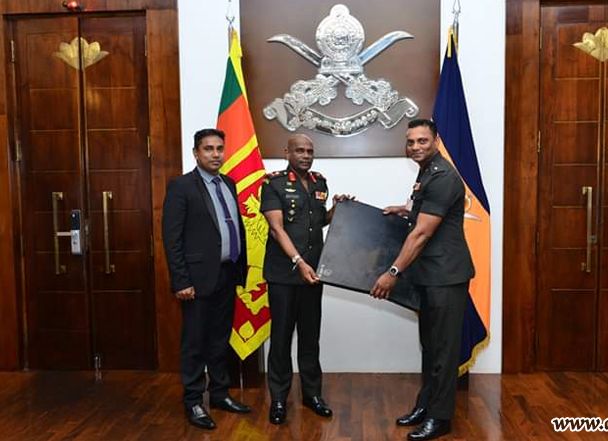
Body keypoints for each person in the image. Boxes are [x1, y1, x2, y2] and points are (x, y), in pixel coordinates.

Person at [370, 119, 474, 441]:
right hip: (430, 276)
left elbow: (422, 233)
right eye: (411, 142)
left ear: (436, 141)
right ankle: (426, 404)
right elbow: (425, 213)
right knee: (430, 347)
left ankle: (440, 419)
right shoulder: (427, 171)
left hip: (446, 276)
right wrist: (405, 210)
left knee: (443, 351)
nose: (416, 147)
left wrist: (392, 273)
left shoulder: (442, 176)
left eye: (422, 141)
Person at [162, 128, 252, 430]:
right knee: (195, 343)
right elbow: (171, 238)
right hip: (196, 280)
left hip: (227, 273)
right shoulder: (181, 186)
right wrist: (180, 281)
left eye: (219, 149)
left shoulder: (229, 182)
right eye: (208, 149)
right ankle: (193, 402)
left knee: (219, 339)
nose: (216, 154)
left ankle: (220, 394)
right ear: (196, 153)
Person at [260, 133, 351, 425]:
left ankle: (312, 395)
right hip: (284, 274)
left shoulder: (319, 183)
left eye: (310, 150)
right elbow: (277, 229)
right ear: (287, 152)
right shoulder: (272, 183)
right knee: (282, 338)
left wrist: (338, 208)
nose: (305, 155)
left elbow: (319, 221)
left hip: (314, 273)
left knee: (310, 338)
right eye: (299, 150)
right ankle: (278, 398)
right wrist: (298, 262)